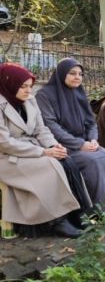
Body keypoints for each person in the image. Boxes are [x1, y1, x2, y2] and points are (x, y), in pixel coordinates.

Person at [36, 58, 105, 217]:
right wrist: (80, 144)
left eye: (80, 74)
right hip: (61, 146)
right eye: (72, 73)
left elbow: (91, 122)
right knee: (94, 160)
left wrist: (93, 140)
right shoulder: (45, 95)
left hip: (85, 143)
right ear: (61, 73)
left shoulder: (79, 93)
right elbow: (50, 125)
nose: (77, 77)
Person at [0, 63, 85, 238]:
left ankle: (75, 214)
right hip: (7, 157)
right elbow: (4, 143)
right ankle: (56, 222)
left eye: (30, 86)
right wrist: (43, 152)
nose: (27, 91)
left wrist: (53, 145)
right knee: (49, 165)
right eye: (22, 86)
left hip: (31, 150)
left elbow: (41, 129)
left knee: (65, 160)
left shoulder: (30, 100)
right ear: (9, 84)